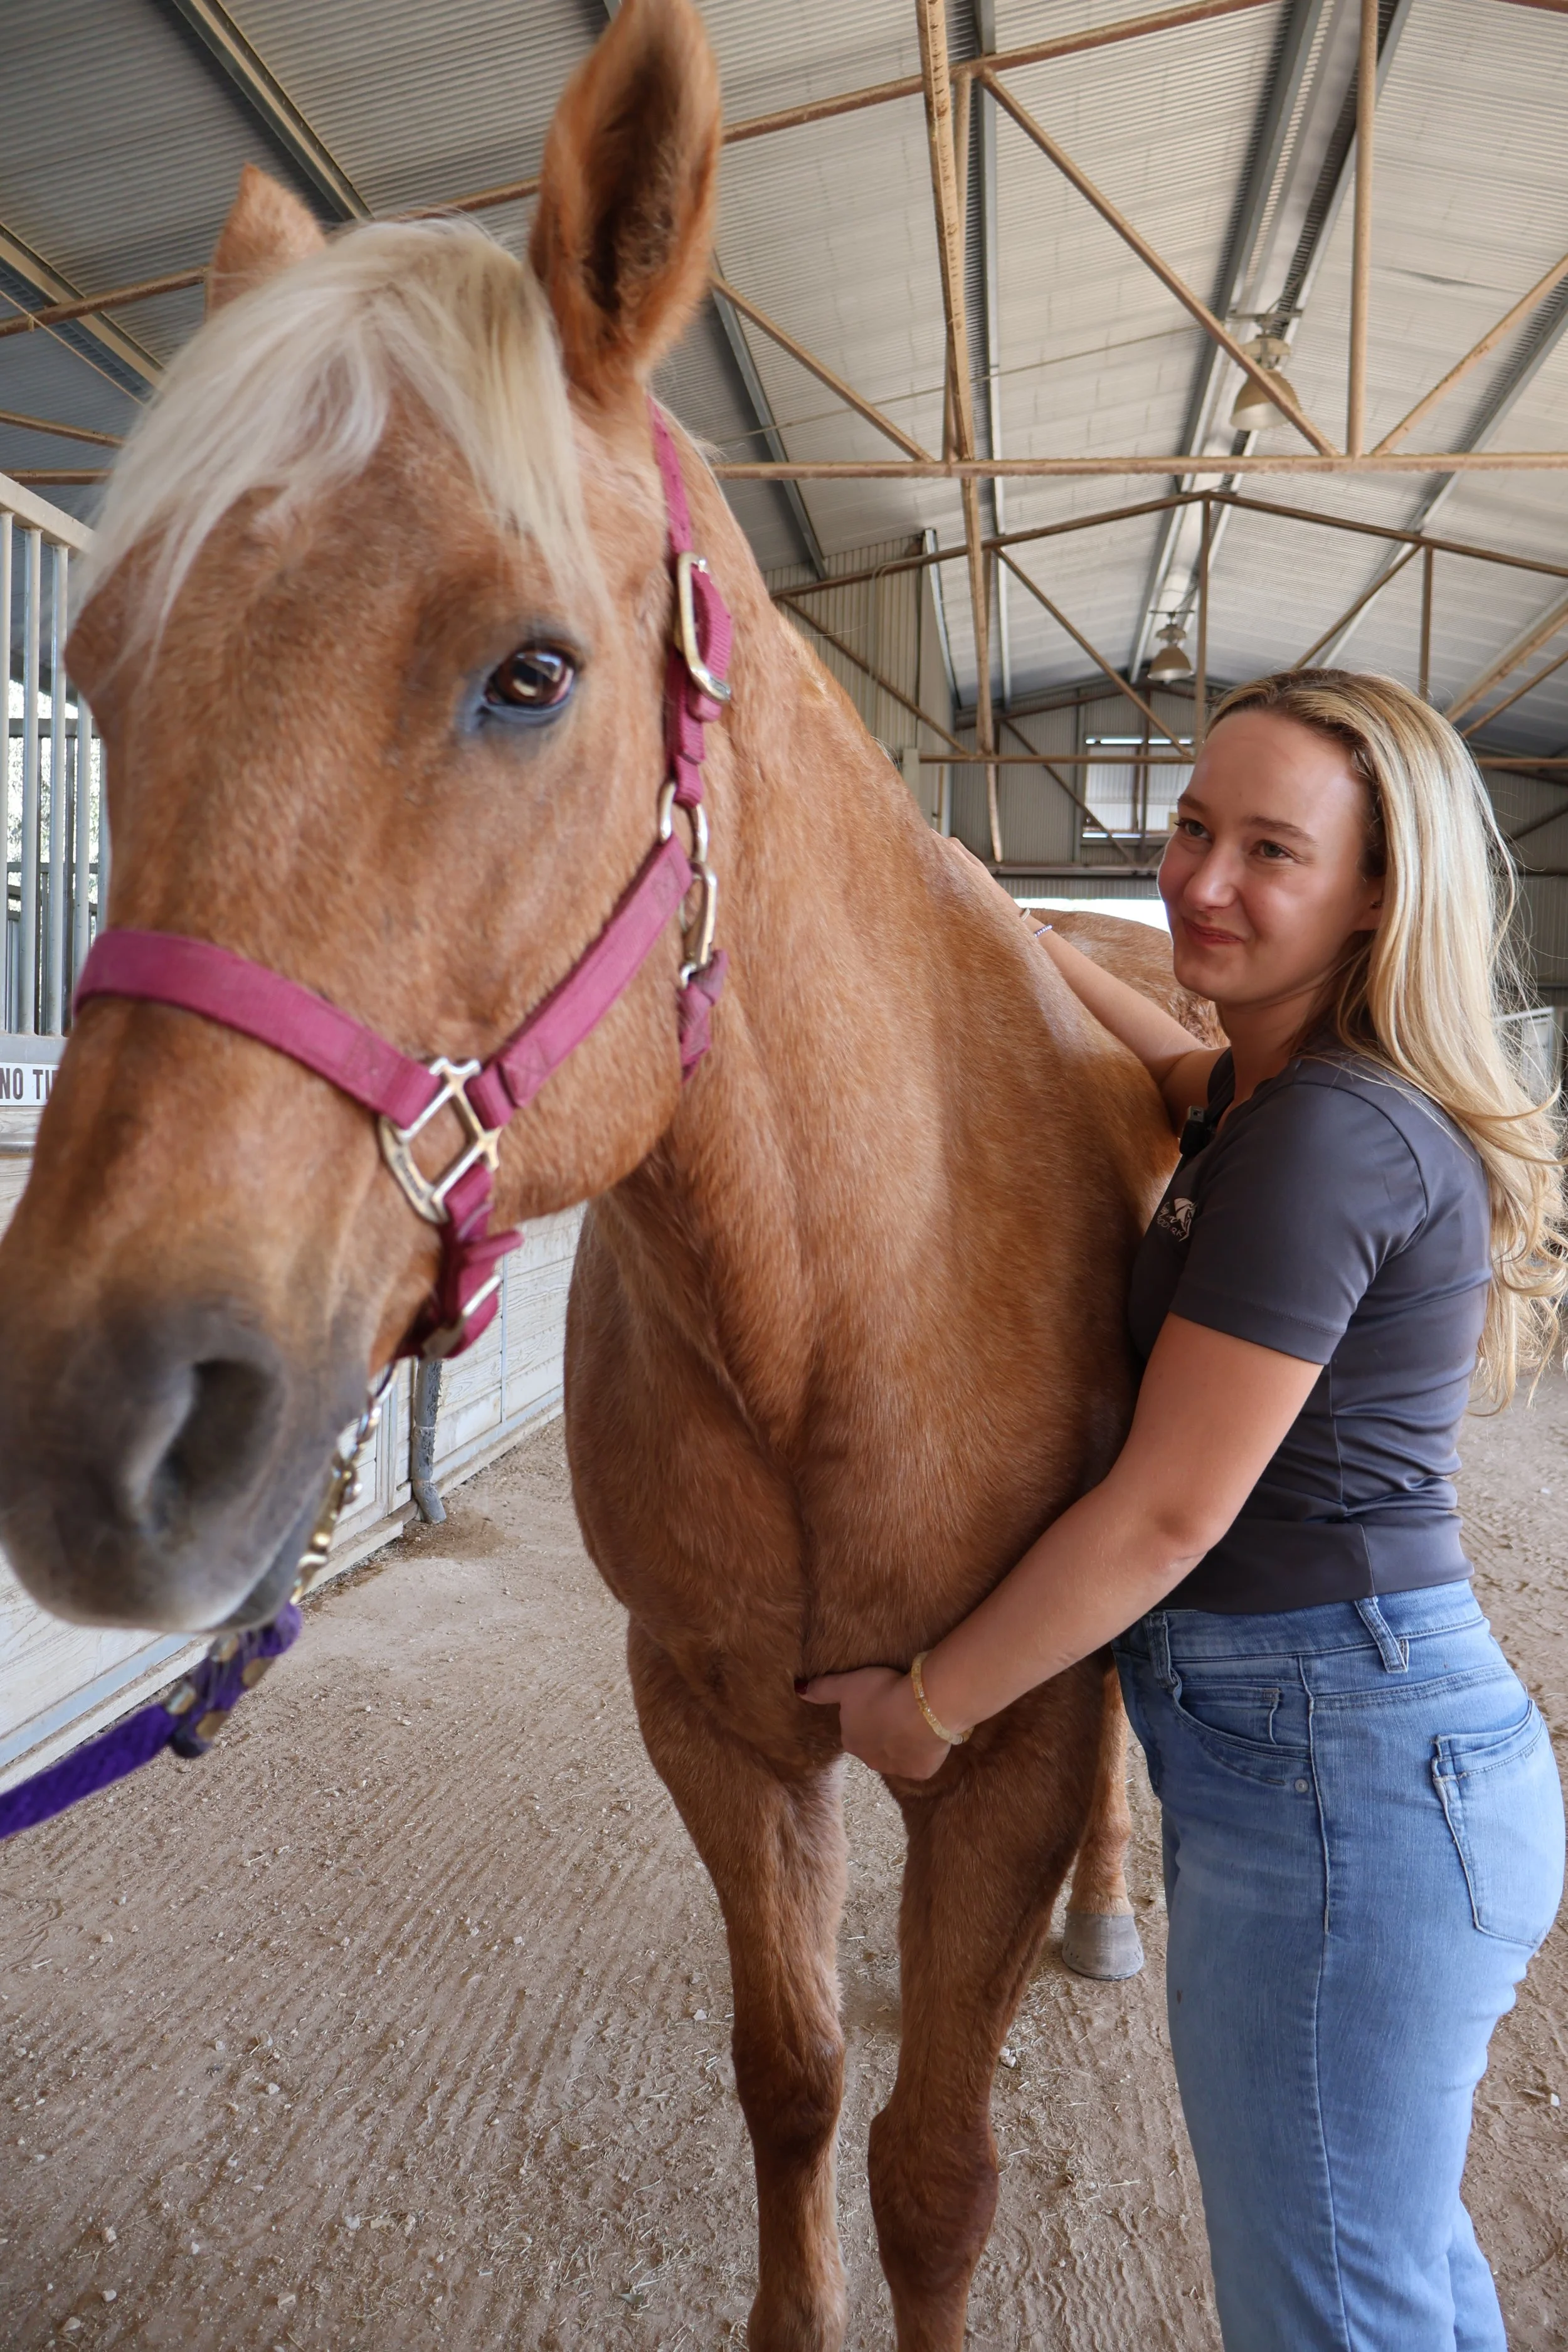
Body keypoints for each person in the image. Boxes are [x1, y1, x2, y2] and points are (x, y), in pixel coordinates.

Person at [802, 669, 1567, 2351]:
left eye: (1270, 851)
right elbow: (1164, 1062)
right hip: (1367, 1764)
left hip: (1339, 1786)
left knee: (1328, 2309)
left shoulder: (1328, 1144)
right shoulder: (1271, 1096)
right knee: (1397, 2267)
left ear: (1378, 890)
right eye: (1190, 827)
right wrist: (997, 925)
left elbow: (1160, 1517)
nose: (1200, 883)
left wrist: (929, 1706)